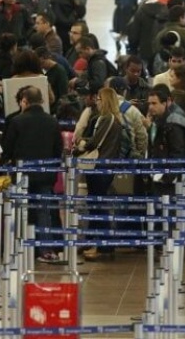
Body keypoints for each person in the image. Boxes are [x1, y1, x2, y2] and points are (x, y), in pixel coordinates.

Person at [2, 86, 63, 263]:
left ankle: (21, 249)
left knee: (21, 212)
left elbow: (8, 149)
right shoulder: (52, 122)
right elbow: (58, 149)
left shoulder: (17, 122)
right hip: (45, 175)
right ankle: (46, 250)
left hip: (22, 175)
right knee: (44, 212)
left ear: (24, 101)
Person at [75, 87, 123, 262]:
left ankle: (103, 246)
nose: (97, 101)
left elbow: (95, 142)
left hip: (99, 167)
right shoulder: (115, 120)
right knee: (96, 204)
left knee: (97, 206)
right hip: (106, 166)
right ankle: (91, 242)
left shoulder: (107, 119)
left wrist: (81, 143)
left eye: (99, 99)